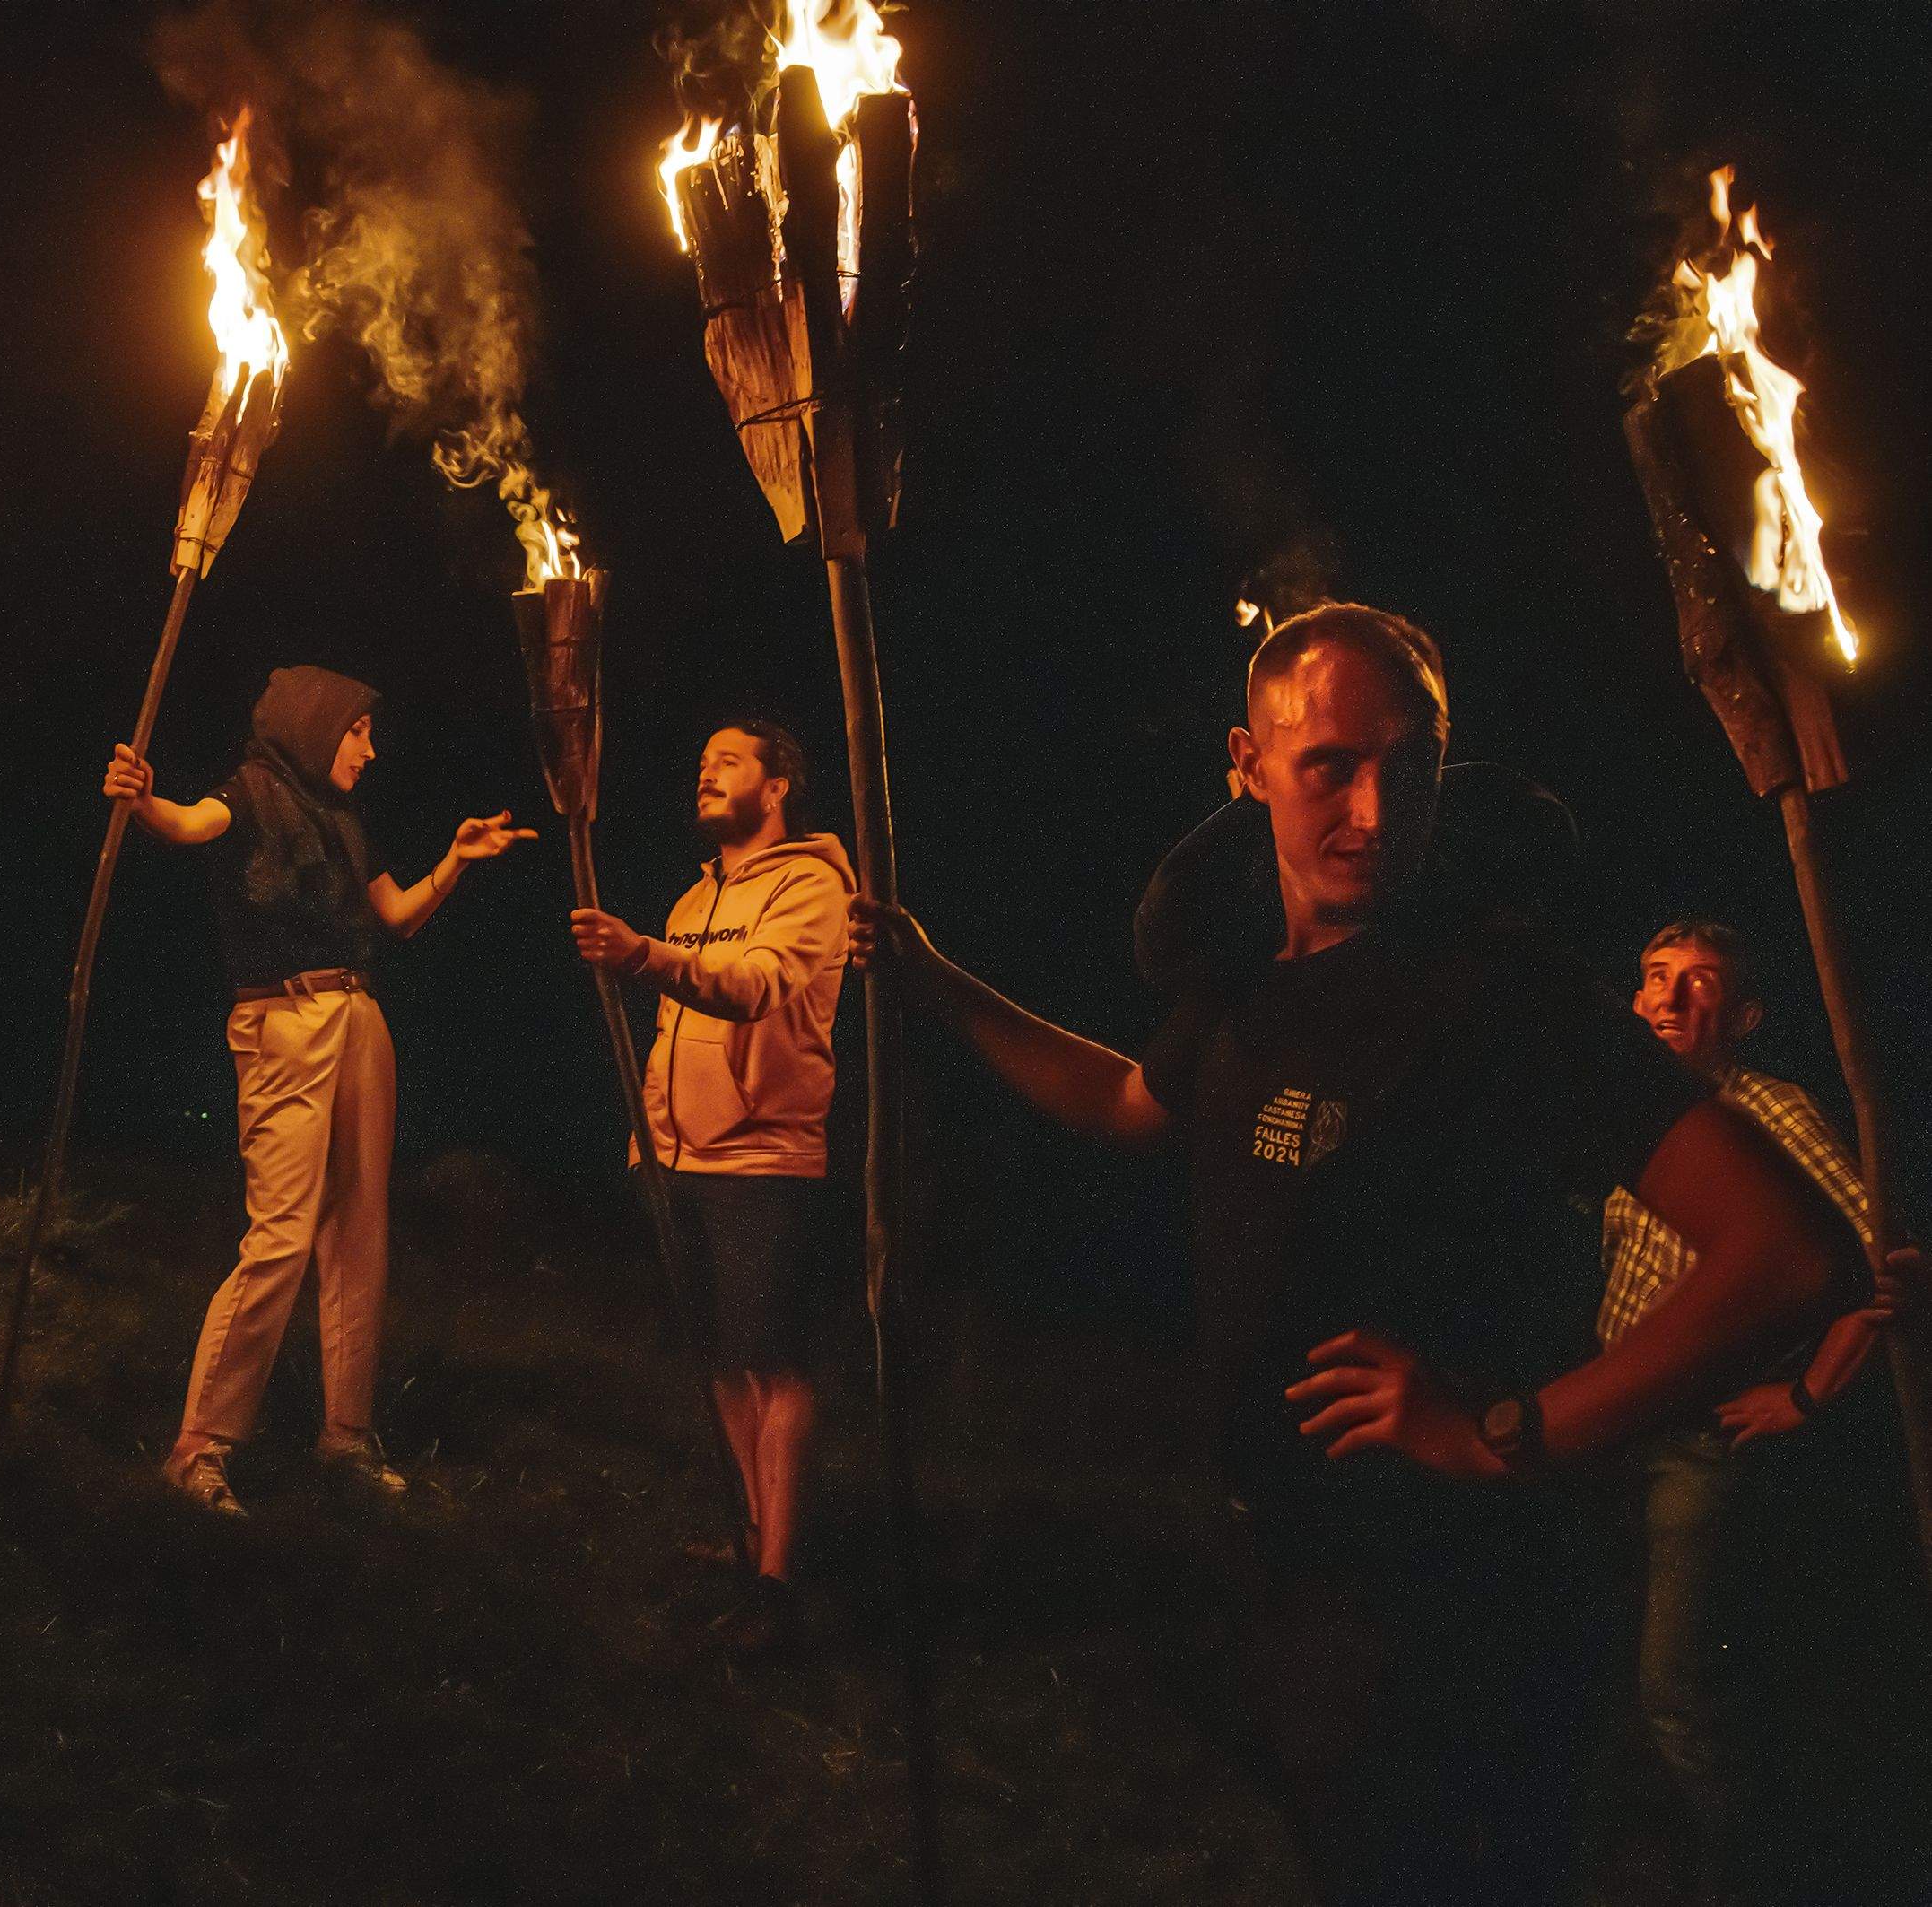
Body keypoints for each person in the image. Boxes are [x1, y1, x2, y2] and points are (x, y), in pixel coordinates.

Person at [849, 603, 1867, 1906]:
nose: (1376, 812)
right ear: (1247, 762)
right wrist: (940, 983)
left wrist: (1507, 1427)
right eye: (1329, 763)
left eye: (1411, 762)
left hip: (1459, 1608)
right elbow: (1125, 1103)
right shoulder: (1240, 987)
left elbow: (1787, 1255)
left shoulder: (1507, 998)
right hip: (1289, 1581)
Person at [102, 666, 534, 1517]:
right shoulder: (249, 794)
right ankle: (199, 1448)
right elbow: (191, 824)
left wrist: (455, 858)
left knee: (359, 1229)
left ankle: (345, 1434)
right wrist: (144, 801)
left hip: (358, 1017)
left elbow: (398, 917)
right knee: (282, 1236)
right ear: (313, 725)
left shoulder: (341, 819)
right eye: (358, 732)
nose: (370, 750)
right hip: (283, 1020)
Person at [1606, 919, 1898, 1905]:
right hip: (1618, 1425)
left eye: (1702, 984)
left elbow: (1881, 1264)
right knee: (1619, 1667)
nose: (1673, 998)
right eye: (1657, 978)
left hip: (1702, 1440)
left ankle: (1738, 1881)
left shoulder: (1770, 1109)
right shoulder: (1632, 1113)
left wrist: (1808, 1392)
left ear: (1743, 1015)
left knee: (1678, 1693)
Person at [569, 720, 852, 1652]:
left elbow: (756, 986)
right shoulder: (697, 895)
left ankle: (779, 1581)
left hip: (763, 1159)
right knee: (722, 1360)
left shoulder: (813, 884)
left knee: (776, 1363)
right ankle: (750, 1532)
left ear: (777, 786)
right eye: (701, 763)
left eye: (726, 761)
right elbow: (674, 1023)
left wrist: (642, 954)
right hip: (673, 1158)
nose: (706, 774)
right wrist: (646, 1129)